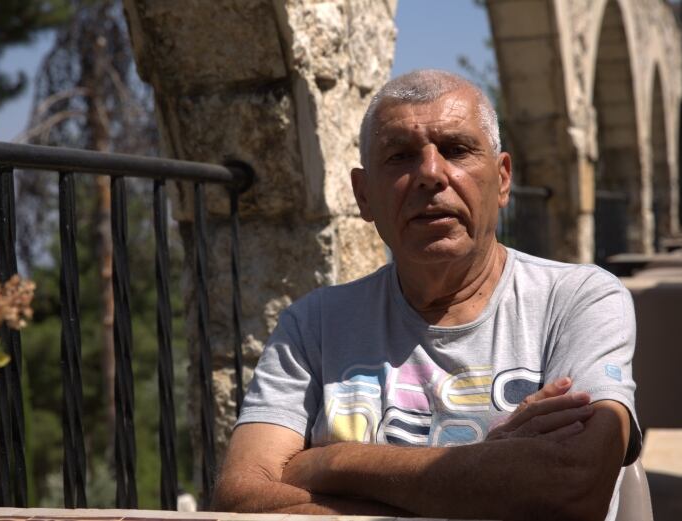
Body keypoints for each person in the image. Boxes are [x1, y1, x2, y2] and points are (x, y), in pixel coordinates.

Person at [211, 69, 641, 521]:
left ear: (503, 180)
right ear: (363, 196)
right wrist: (489, 476)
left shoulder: (578, 299)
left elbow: (573, 485)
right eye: (400, 156)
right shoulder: (314, 324)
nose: (431, 174)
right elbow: (241, 498)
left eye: (457, 150)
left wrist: (331, 462)